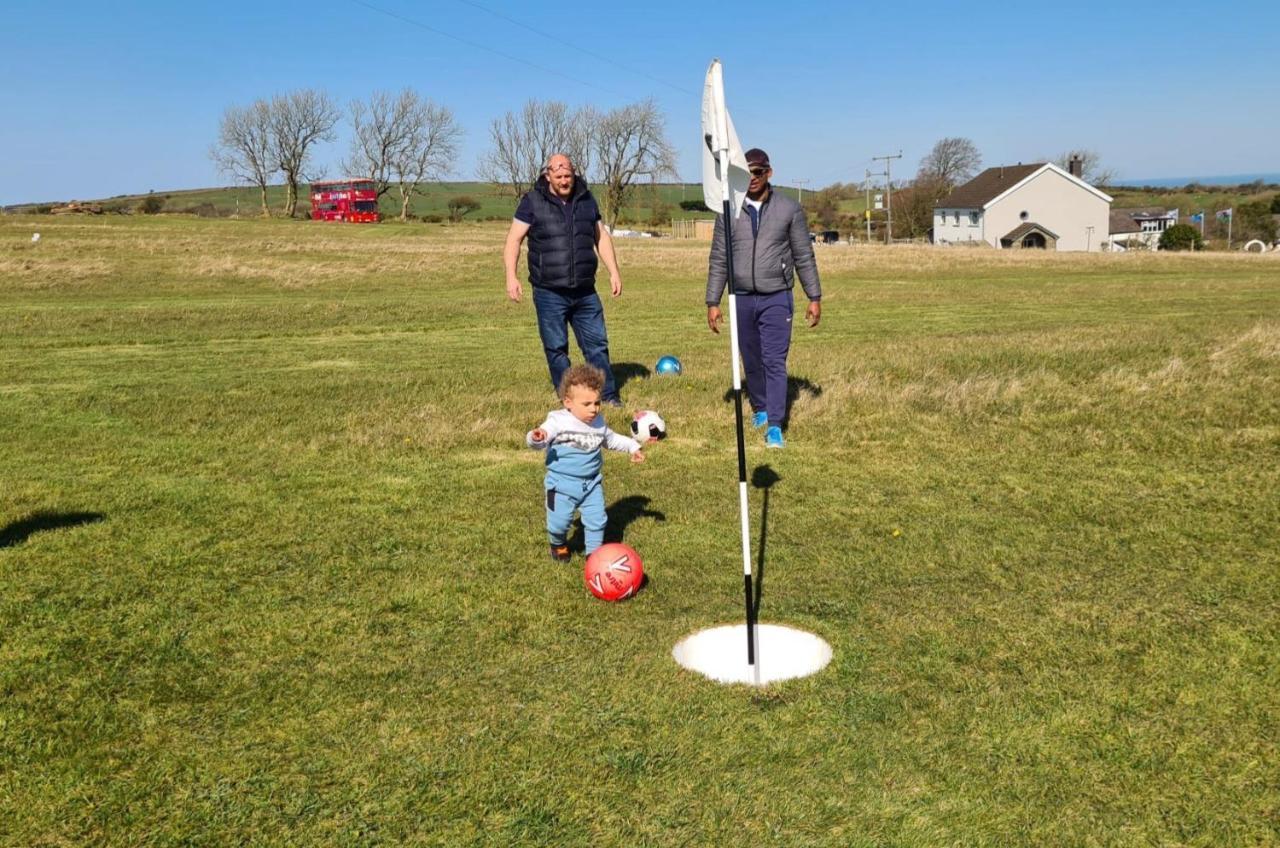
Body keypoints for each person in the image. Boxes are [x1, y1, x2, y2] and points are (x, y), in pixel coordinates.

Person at [705, 148, 822, 449]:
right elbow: (719, 258)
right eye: (747, 172)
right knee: (752, 359)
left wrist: (814, 295)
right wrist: (713, 301)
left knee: (773, 360)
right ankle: (759, 408)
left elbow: (803, 255)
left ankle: (774, 424)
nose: (753, 178)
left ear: (769, 173)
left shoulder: (789, 210)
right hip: (741, 297)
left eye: (758, 172)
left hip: (777, 297)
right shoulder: (728, 211)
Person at [504, 154, 625, 406]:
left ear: (574, 173)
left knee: (597, 346)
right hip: (548, 292)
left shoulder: (587, 199)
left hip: (585, 291)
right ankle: (569, 401)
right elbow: (514, 239)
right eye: (558, 176)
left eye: (567, 175)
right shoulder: (532, 201)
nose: (563, 180)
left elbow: (600, 237)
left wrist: (613, 271)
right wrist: (511, 276)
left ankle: (609, 397)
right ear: (547, 175)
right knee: (556, 348)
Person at [527, 363, 644, 561]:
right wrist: (536, 436)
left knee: (597, 520)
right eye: (587, 404)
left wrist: (634, 447)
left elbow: (611, 439)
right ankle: (558, 544)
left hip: (591, 484)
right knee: (559, 523)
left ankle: (594, 554)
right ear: (568, 402)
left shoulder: (598, 423)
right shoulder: (557, 421)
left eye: (597, 403)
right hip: (560, 485)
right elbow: (541, 440)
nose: (594, 409)